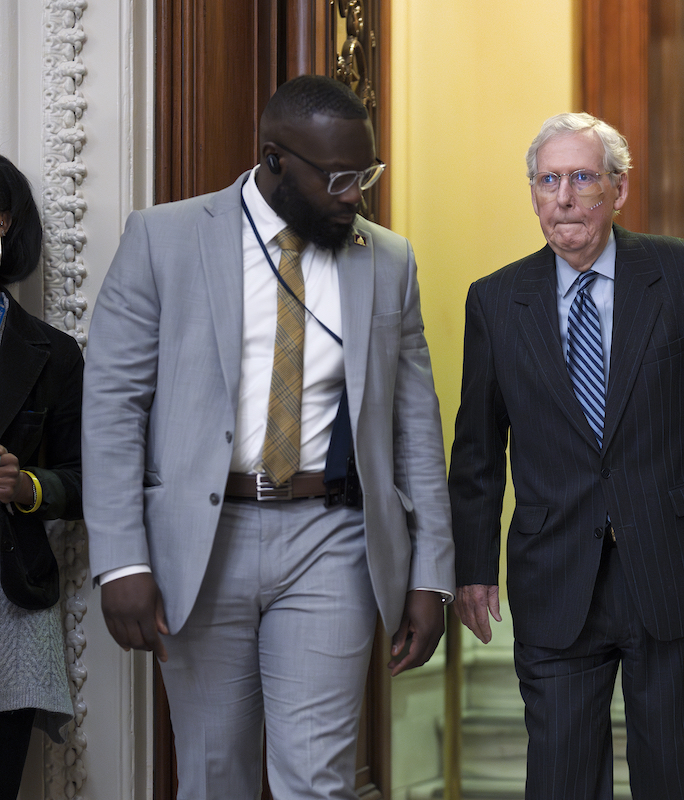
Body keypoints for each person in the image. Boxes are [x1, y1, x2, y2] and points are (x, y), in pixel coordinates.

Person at [82, 75, 455, 798]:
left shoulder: (389, 259)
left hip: (332, 540)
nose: (355, 196)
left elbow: (416, 422)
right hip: (201, 543)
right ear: (275, 161)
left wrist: (429, 573)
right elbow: (112, 405)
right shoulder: (164, 238)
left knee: (318, 782)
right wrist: (120, 560)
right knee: (214, 774)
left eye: (366, 174)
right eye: (339, 178)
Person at [449, 112, 684, 799]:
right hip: (554, 577)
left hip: (679, 572)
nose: (562, 197)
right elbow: (477, 452)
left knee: (679, 782)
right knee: (561, 782)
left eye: (582, 178)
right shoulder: (496, 301)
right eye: (547, 180)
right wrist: (472, 568)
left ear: (619, 191)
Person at [0, 154, 82, 799]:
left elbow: (87, 480)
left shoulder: (51, 352)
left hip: (9, 605)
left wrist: (26, 486)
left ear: (3, 222)